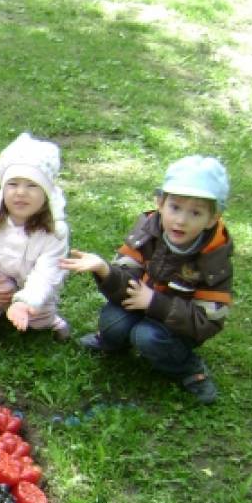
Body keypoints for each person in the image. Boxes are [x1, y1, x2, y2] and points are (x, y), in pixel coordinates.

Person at [60, 155, 232, 403]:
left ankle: (189, 368)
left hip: (176, 326)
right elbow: (125, 281)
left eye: (195, 212)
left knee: (147, 337)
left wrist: (154, 303)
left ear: (212, 219)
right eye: (175, 207)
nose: (181, 220)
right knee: (112, 323)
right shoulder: (148, 231)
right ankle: (114, 343)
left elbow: (206, 322)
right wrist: (105, 270)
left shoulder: (213, 259)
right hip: (139, 304)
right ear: (160, 203)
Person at [0, 132, 71, 340]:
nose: (21, 192)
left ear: (46, 193)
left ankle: (48, 318)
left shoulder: (55, 232)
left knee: (38, 319)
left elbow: (47, 274)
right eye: (13, 183)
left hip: (33, 287)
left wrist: (25, 302)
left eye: (32, 185)